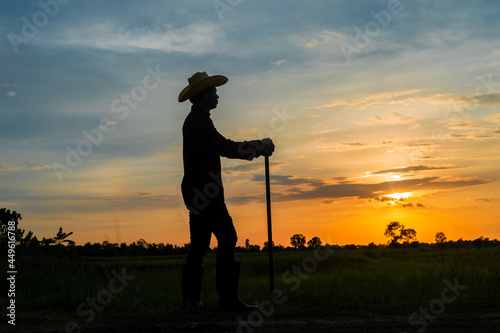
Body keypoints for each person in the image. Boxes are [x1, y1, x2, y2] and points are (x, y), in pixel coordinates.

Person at [178, 72, 275, 312]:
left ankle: (192, 302)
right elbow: (224, 147)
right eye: (214, 91)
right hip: (205, 193)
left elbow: (222, 147)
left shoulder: (199, 120)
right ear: (204, 96)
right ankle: (227, 300)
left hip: (198, 192)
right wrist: (257, 147)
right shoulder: (198, 122)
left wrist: (256, 148)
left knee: (199, 245)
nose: (218, 95)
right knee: (227, 237)